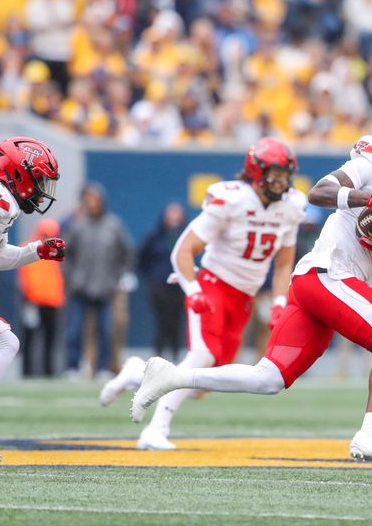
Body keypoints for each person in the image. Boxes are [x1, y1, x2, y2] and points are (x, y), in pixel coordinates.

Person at [130, 113, 372, 468]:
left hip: (330, 283)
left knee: (268, 378)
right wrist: (370, 199)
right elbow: (318, 193)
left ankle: (172, 377)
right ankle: (370, 434)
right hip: (326, 272)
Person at [101, 137, 306, 450]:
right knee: (202, 356)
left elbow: (283, 264)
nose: (280, 182)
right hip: (213, 284)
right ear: (255, 171)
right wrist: (193, 289)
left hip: (244, 297)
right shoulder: (232, 199)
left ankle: (136, 374)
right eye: (274, 174)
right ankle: (156, 430)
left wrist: (280, 301)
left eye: (285, 175)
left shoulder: (291, 207)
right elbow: (183, 250)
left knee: (204, 383)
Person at [0, 137, 64, 464]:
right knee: (2, 342)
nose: (42, 189)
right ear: (19, 174)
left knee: (2, 340)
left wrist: (36, 251)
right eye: (39, 180)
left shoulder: (0, 203)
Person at [62, 183, 135, 379]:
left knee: (106, 331)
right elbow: (66, 254)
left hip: (105, 287)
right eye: (89, 200)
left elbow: (127, 253)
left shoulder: (114, 224)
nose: (92, 203)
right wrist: (70, 278)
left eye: (95, 200)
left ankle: (103, 367)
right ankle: (72, 367)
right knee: (74, 330)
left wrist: (120, 276)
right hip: (80, 287)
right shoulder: (78, 225)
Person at [137, 202, 187, 361]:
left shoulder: (186, 235)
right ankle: (158, 356)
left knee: (176, 321)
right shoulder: (155, 236)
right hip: (159, 286)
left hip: (179, 286)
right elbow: (141, 258)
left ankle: (175, 356)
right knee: (162, 321)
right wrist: (151, 276)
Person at [18, 218, 66, 376]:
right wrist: (29, 297)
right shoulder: (29, 248)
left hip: (51, 301)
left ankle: (48, 371)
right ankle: (27, 372)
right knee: (30, 339)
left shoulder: (57, 252)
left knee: (50, 340)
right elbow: (26, 277)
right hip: (33, 301)